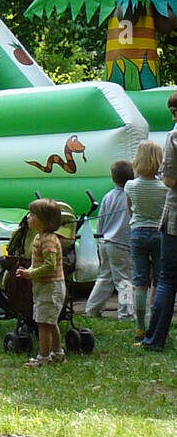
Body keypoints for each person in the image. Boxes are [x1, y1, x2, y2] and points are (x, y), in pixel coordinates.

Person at [138, 94, 177, 350]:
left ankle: (154, 339)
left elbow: (171, 180)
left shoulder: (173, 137)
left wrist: (164, 175)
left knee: (167, 279)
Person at [14, 198, 66, 368]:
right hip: (42, 286)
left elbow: (49, 265)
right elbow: (37, 262)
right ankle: (57, 352)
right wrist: (29, 270)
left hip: (51, 287)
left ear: (44, 220)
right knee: (49, 321)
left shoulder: (49, 240)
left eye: (32, 215)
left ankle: (43, 357)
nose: (28, 217)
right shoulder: (39, 237)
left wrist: (31, 273)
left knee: (44, 323)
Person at [125, 140, 166, 340]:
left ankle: (140, 326)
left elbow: (129, 210)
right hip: (160, 233)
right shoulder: (164, 188)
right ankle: (157, 325)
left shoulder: (130, 185)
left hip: (138, 232)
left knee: (140, 281)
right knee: (160, 281)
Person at [84, 160, 134, 320]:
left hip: (105, 242)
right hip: (121, 243)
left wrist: (100, 239)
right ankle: (126, 314)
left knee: (105, 277)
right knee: (125, 280)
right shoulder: (131, 197)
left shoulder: (108, 197)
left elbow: (101, 221)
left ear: (113, 178)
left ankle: (92, 309)